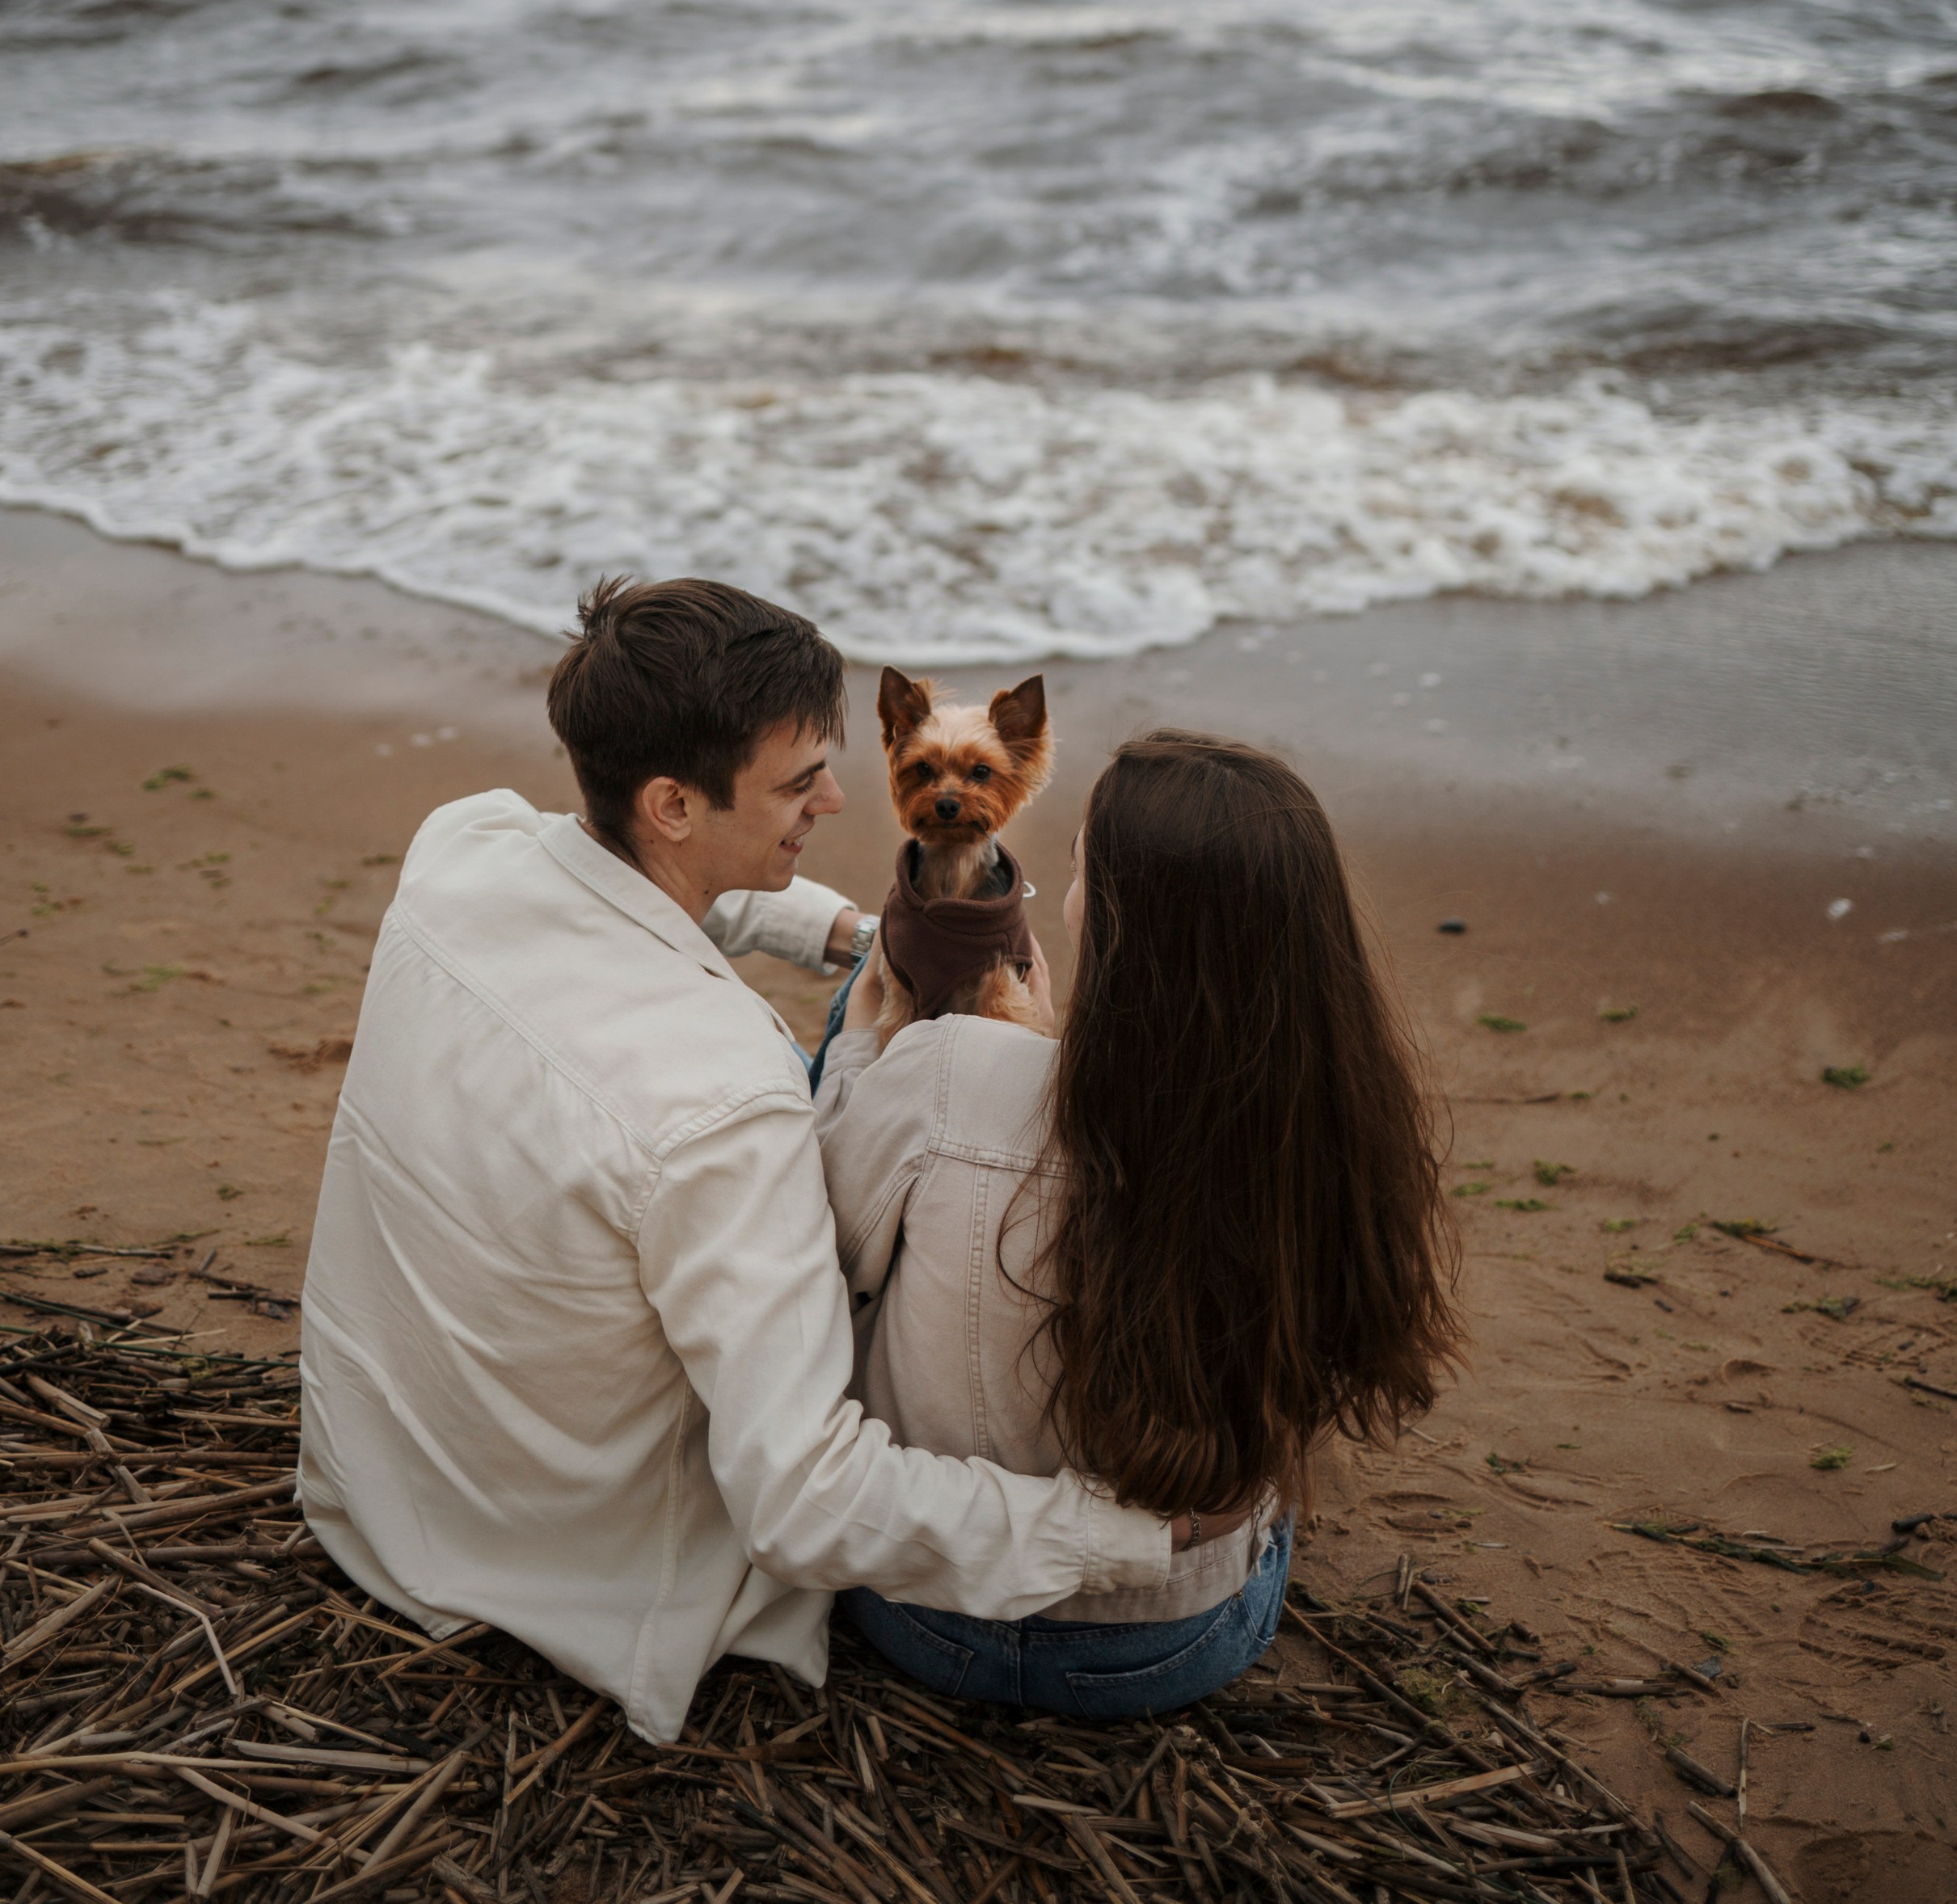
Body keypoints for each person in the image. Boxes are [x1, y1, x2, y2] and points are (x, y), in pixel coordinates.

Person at [298, 579, 1231, 1746]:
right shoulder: (728, 1106)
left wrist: (849, 937)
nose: (840, 800)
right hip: (580, 1564)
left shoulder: (462, 846)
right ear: (675, 803)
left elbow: (623, 882)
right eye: (799, 785)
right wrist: (1131, 1539)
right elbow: (805, 1503)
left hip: (380, 1480)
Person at [815, 728, 1462, 1718]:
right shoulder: (1324, 1116)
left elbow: (826, 1262)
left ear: (1108, 910)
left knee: (854, 1022)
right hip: (1172, 1640)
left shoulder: (943, 1065)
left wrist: (866, 1052)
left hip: (925, 1615)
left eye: (1076, 865)